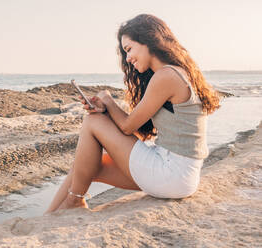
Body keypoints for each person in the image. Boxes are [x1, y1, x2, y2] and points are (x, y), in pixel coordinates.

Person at [45, 14, 220, 213]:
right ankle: (49, 216)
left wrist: (108, 99)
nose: (128, 58)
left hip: (172, 174)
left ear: (148, 40)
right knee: (85, 167)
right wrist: (106, 111)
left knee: (92, 122)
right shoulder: (174, 73)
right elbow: (137, 131)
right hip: (179, 175)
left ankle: (74, 202)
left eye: (129, 49)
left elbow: (128, 126)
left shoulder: (166, 76)